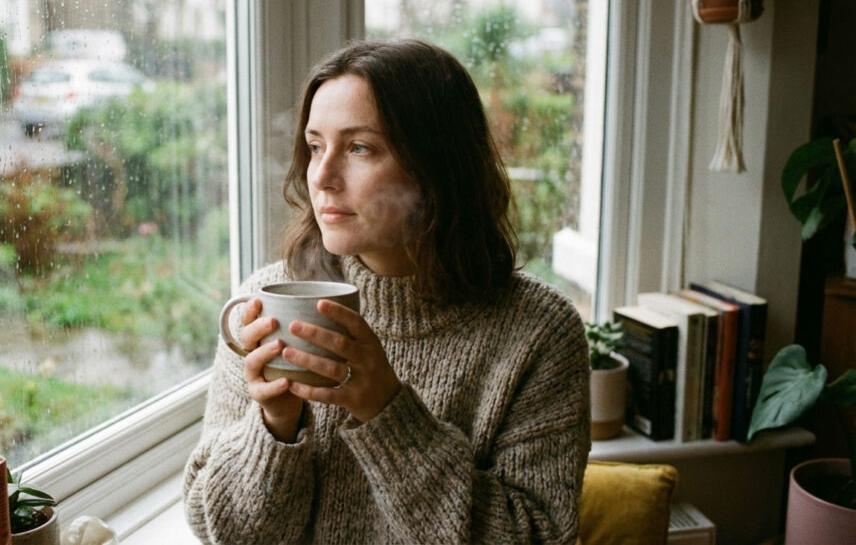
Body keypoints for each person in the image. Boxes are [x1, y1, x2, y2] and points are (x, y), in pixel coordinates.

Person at [183, 38, 590, 544]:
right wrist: (273, 426)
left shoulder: (539, 333)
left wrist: (388, 413)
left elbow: (539, 536)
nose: (323, 178)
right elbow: (217, 527)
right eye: (314, 146)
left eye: (359, 148)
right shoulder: (264, 299)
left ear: (435, 168)